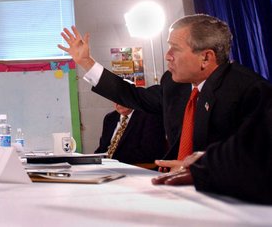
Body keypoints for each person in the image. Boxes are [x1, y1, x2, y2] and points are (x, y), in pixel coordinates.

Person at [58, 14, 272, 204]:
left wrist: (202, 166)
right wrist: (87, 62)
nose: (167, 55)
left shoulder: (249, 90)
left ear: (205, 57)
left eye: (175, 49)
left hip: (218, 197)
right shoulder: (174, 84)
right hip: (173, 190)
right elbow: (134, 96)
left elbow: (256, 160)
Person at [95, 103, 166, 165]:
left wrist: (113, 160)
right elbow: (102, 148)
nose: (118, 103)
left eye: (122, 98)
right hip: (106, 166)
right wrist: (91, 159)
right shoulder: (110, 117)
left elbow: (150, 152)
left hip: (133, 167)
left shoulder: (150, 116)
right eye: (115, 99)